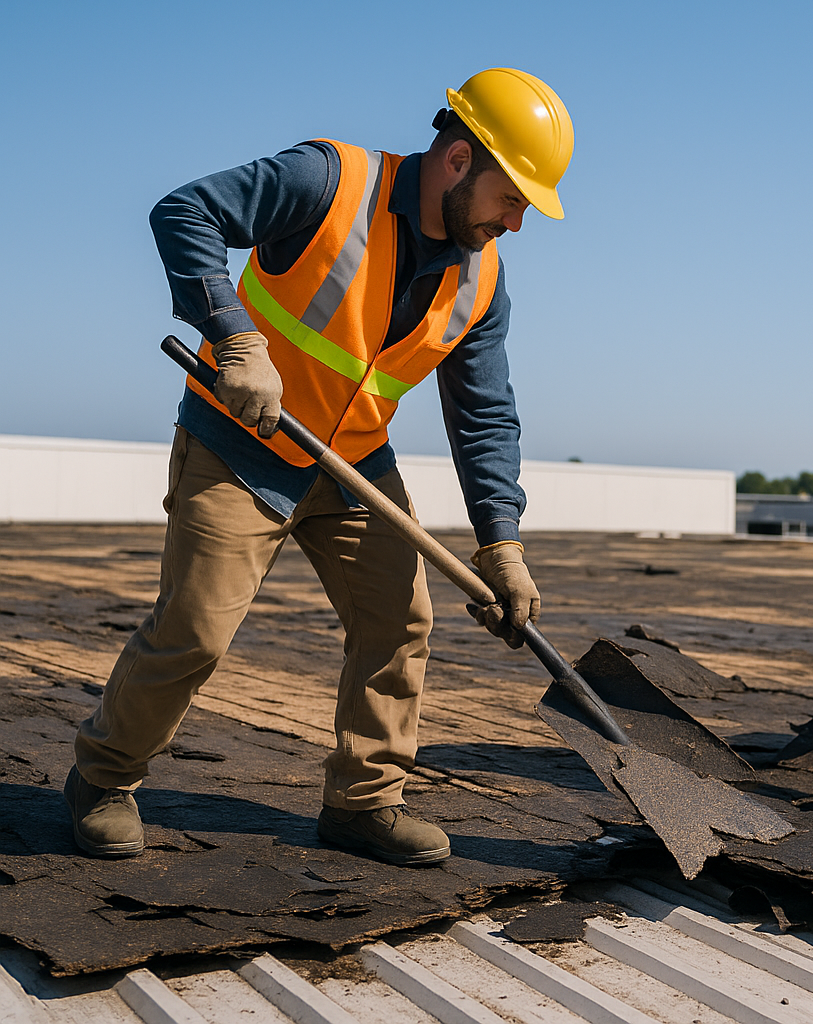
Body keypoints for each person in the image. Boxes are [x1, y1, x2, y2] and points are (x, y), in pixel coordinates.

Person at [65, 68, 570, 864]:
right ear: (460, 159)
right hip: (240, 445)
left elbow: (483, 413)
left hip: (353, 462)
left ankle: (364, 803)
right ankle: (102, 779)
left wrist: (501, 542)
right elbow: (184, 210)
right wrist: (234, 336)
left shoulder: (483, 279)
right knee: (194, 630)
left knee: (400, 623)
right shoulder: (329, 181)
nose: (516, 222)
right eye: (513, 198)